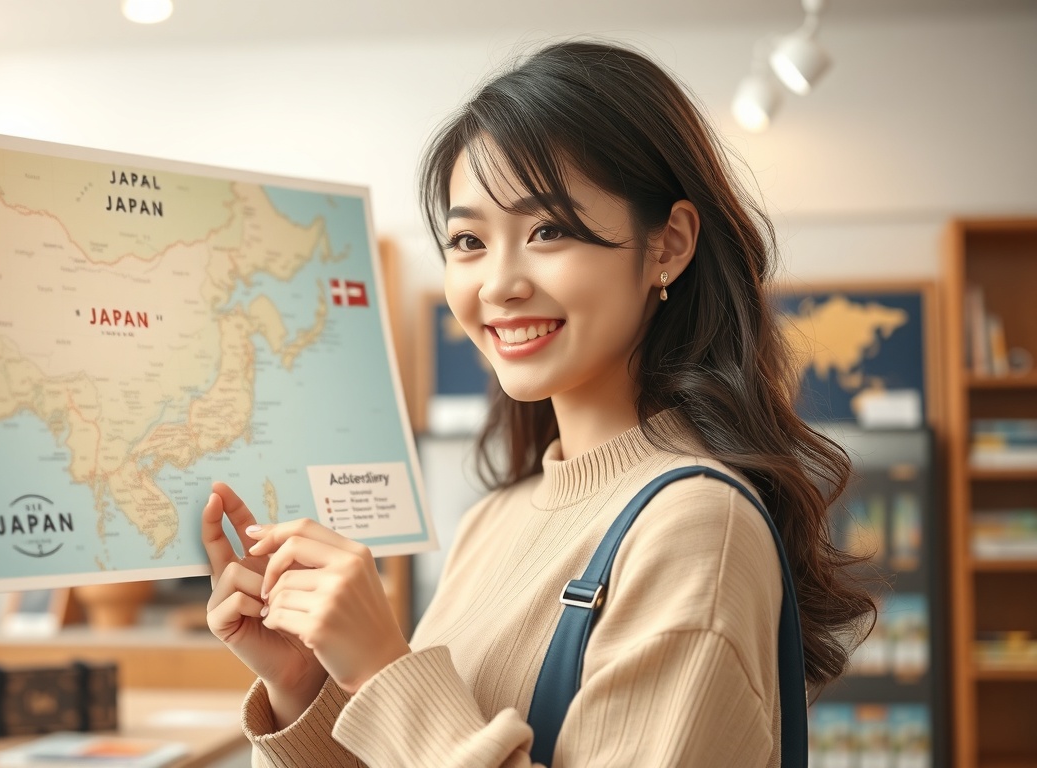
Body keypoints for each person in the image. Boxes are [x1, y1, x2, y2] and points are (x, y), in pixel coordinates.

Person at [201, 40, 874, 767]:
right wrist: (307, 683)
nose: (497, 284)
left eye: (547, 230)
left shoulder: (697, 527)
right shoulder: (493, 519)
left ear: (668, 246)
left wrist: (383, 671)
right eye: (467, 240)